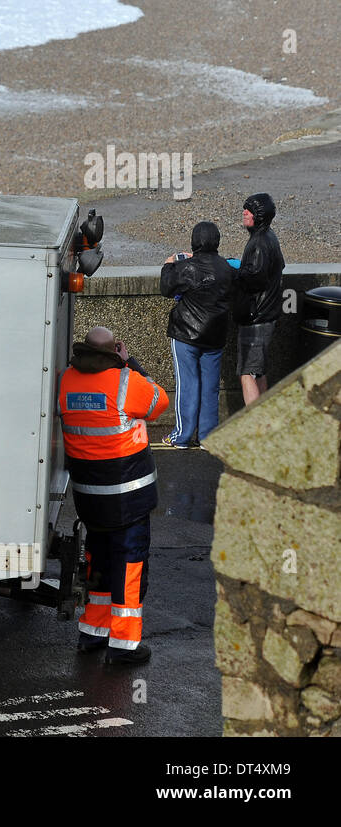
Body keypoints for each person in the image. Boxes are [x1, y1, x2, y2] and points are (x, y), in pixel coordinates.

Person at [58, 326, 170, 666]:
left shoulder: (66, 381)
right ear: (112, 353)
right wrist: (130, 361)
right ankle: (123, 645)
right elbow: (159, 401)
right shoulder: (125, 381)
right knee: (129, 564)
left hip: (89, 496)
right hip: (128, 496)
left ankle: (92, 632)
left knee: (98, 560)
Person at [160, 221, 234, 449]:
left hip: (186, 334)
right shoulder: (227, 268)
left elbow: (166, 288)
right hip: (215, 334)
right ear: (217, 241)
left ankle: (181, 436)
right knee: (210, 386)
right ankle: (208, 437)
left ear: (194, 241)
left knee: (187, 384)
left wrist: (168, 265)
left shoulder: (186, 267)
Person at [234, 193, 284, 405]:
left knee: (246, 372)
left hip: (256, 317)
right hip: (267, 314)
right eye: (245, 208)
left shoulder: (259, 243)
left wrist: (232, 273)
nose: (244, 212)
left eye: (250, 210)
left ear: (260, 216)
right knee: (259, 371)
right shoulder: (269, 237)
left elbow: (253, 278)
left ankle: (253, 423)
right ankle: (264, 416)